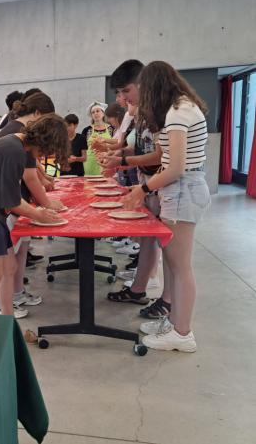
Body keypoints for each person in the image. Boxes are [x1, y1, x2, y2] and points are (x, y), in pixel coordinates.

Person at [122, 61, 210, 353]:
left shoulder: (178, 112)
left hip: (183, 189)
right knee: (174, 264)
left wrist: (143, 188)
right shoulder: (177, 110)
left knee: (180, 266)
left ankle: (182, 333)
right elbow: (161, 153)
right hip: (179, 189)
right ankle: (174, 322)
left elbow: (175, 168)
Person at [0, 114, 69, 315]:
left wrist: (37, 211)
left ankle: (7, 319)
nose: (44, 155)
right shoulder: (13, 150)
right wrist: (38, 214)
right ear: (44, 142)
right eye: (48, 150)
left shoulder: (17, 145)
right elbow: (11, 202)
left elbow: (10, 195)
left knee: (8, 267)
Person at [101, 60, 167, 319]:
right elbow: (139, 148)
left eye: (125, 91)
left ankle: (167, 305)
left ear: (142, 83)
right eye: (120, 93)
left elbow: (161, 157)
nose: (123, 98)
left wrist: (123, 161)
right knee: (148, 241)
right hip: (147, 183)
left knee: (170, 255)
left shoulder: (159, 112)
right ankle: (138, 288)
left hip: (159, 185)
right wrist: (118, 155)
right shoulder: (140, 113)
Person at [0, 91, 64, 317]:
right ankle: (1, 307)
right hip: (4, 208)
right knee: (3, 264)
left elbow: (33, 171)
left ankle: (16, 294)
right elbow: (27, 178)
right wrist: (44, 207)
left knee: (18, 254)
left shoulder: (22, 135)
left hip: (15, 204)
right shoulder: (17, 136)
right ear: (37, 114)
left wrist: (42, 195)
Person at [82, 101, 113, 176]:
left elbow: (117, 145)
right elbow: (83, 148)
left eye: (98, 111)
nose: (95, 113)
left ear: (103, 113)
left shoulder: (111, 129)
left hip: (106, 162)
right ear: (91, 115)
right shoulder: (87, 130)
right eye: (93, 112)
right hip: (90, 163)